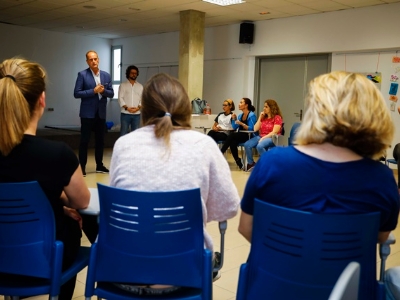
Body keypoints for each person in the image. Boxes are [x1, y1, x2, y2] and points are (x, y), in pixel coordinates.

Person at [109, 73, 240, 295]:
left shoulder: (123, 144)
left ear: (145, 109)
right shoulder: (204, 145)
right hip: (184, 274)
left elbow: (117, 205)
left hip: (123, 271)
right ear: (184, 107)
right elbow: (228, 207)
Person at [238, 71, 399, 245]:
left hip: (274, 271)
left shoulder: (272, 162)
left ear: (315, 111)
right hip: (346, 272)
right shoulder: (381, 178)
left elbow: (246, 228)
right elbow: (381, 237)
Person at [0, 58, 91, 300]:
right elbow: (82, 202)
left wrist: (57, 204)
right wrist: (61, 202)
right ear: (42, 99)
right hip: (46, 259)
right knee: (78, 224)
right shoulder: (56, 154)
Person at [73, 50, 114, 176]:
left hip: (101, 114)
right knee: (84, 141)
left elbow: (111, 93)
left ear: (99, 59)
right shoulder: (82, 75)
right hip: (87, 114)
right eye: (91, 59)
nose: (94, 61)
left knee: (100, 141)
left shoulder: (106, 75)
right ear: (87, 61)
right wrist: (93, 91)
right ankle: (82, 167)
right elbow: (76, 93)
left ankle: (99, 165)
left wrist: (103, 92)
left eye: (95, 59)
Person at [244, 99, 283, 172]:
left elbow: (274, 132)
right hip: (261, 136)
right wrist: (260, 117)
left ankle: (269, 164)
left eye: (266, 107)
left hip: (272, 137)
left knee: (260, 146)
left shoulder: (277, 117)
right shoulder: (264, 117)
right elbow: (255, 129)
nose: (264, 108)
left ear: (272, 108)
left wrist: (263, 138)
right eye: (264, 106)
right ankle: (251, 164)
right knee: (247, 144)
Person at [220, 98, 257, 170]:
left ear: (246, 105)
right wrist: (234, 119)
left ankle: (221, 152)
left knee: (232, 135)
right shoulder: (240, 115)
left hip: (249, 135)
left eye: (241, 102)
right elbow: (234, 127)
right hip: (241, 135)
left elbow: (252, 129)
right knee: (232, 142)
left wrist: (242, 124)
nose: (239, 104)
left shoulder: (251, 115)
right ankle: (238, 161)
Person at [118, 65, 143, 136]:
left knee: (135, 135)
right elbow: (120, 98)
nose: (133, 74)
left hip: (136, 114)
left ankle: (134, 147)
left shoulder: (140, 86)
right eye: (132, 73)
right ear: (128, 73)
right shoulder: (123, 85)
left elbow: (142, 99)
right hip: (125, 113)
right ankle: (122, 147)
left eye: (135, 73)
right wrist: (127, 108)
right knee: (123, 133)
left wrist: (138, 108)